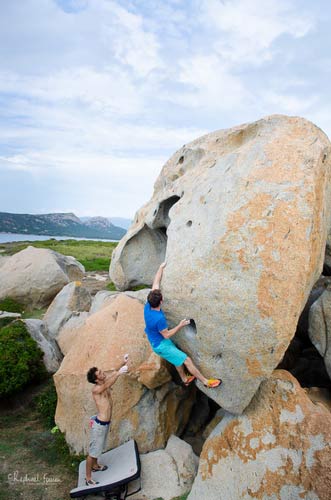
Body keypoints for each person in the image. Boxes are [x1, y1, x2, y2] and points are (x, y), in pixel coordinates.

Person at [144, 262, 221, 388]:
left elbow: (156, 283)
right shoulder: (159, 318)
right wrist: (180, 325)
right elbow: (167, 335)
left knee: (175, 357)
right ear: (161, 301)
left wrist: (160, 267)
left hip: (156, 340)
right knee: (186, 360)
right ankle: (206, 382)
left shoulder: (148, 305)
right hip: (161, 344)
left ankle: (184, 378)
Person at [85, 354, 129, 486]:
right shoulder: (97, 389)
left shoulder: (103, 382)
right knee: (93, 452)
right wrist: (119, 374)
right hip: (100, 425)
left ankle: (96, 466)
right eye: (99, 372)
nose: (102, 372)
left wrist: (122, 362)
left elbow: (111, 374)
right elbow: (109, 382)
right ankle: (88, 478)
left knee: (99, 448)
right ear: (96, 379)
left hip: (105, 423)